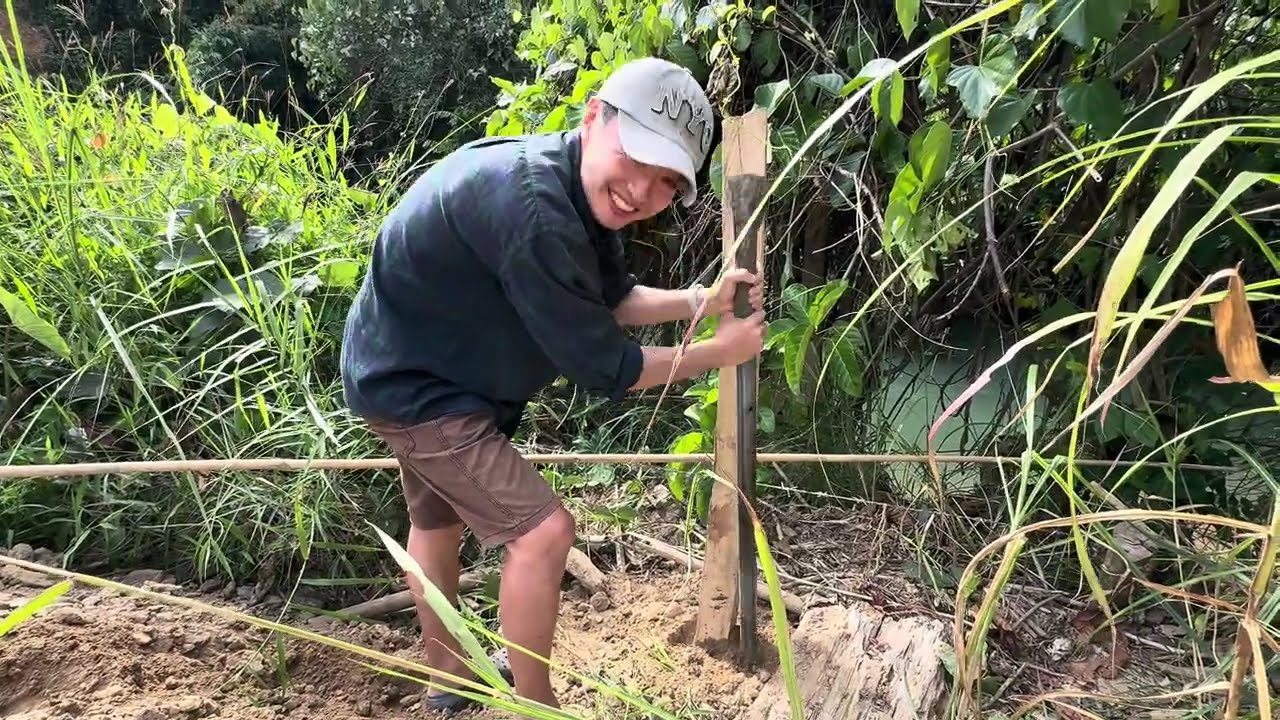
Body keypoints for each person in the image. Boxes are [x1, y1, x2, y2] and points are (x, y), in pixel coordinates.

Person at [339, 56, 766, 712]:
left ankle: (449, 682)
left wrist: (698, 301)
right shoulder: (535, 211)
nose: (641, 193)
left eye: (665, 182)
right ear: (594, 117)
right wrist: (721, 350)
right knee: (543, 535)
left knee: (438, 524)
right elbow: (611, 368)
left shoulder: (569, 182)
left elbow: (612, 298)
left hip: (421, 364)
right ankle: (535, 705)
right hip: (417, 390)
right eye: (637, 159)